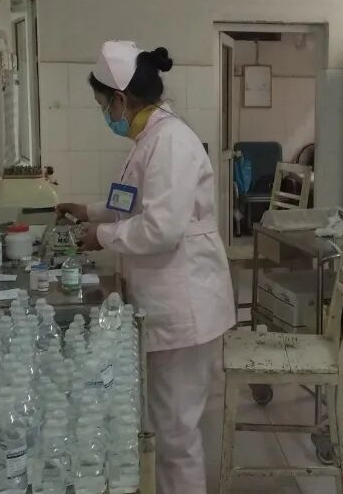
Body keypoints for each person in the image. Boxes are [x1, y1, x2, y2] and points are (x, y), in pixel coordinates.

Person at [56, 40, 236, 494]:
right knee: (169, 424)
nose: (105, 114)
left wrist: (102, 236)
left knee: (175, 435)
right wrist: (89, 211)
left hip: (184, 306)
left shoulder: (169, 142)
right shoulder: (150, 139)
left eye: (103, 104)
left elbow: (161, 229)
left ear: (120, 99)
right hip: (170, 300)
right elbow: (132, 203)